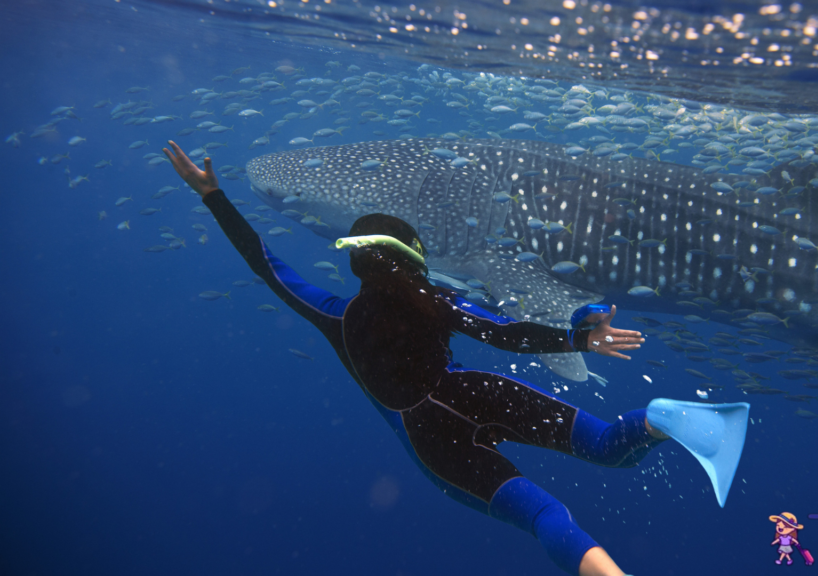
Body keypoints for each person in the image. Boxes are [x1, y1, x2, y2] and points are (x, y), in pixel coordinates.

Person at [164, 141, 750, 576]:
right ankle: (658, 418)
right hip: (480, 393)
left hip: (435, 438)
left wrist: (214, 196)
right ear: (413, 254)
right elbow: (510, 333)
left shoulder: (334, 317)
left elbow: (266, 266)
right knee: (604, 446)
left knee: (545, 517)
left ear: (353, 260)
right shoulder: (439, 300)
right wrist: (577, 337)